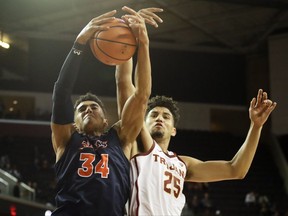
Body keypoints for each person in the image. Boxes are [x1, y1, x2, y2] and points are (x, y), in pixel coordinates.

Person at [116, 41, 277, 216]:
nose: (159, 118)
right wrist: (127, 43)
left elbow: (236, 169)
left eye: (166, 116)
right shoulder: (137, 147)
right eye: (153, 115)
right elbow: (126, 87)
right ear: (143, 123)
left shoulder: (182, 163)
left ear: (174, 130)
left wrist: (256, 126)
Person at [50, 6, 152, 216]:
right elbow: (61, 92)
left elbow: (142, 95)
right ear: (74, 122)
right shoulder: (66, 140)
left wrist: (143, 43)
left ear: (107, 121)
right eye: (82, 109)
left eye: (94, 107)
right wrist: (79, 43)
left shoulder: (121, 137)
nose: (88, 110)